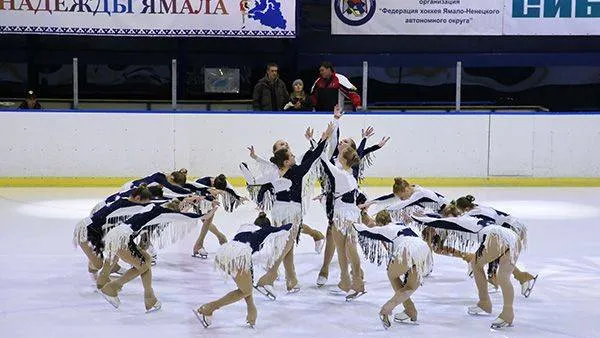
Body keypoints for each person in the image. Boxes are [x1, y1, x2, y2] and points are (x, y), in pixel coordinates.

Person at [193, 213, 293, 328]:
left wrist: (251, 307)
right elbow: (286, 228)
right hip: (238, 256)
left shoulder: (244, 227)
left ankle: (248, 313)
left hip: (224, 253)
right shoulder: (266, 230)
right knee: (245, 291)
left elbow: (248, 272)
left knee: (245, 289)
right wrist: (296, 224)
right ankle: (209, 308)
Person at [356, 210, 432, 328]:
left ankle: (386, 310)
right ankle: (411, 311)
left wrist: (352, 223)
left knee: (392, 275)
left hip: (408, 249)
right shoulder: (400, 225)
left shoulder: (384, 228)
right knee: (410, 287)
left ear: (380, 223)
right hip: (424, 249)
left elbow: (365, 231)